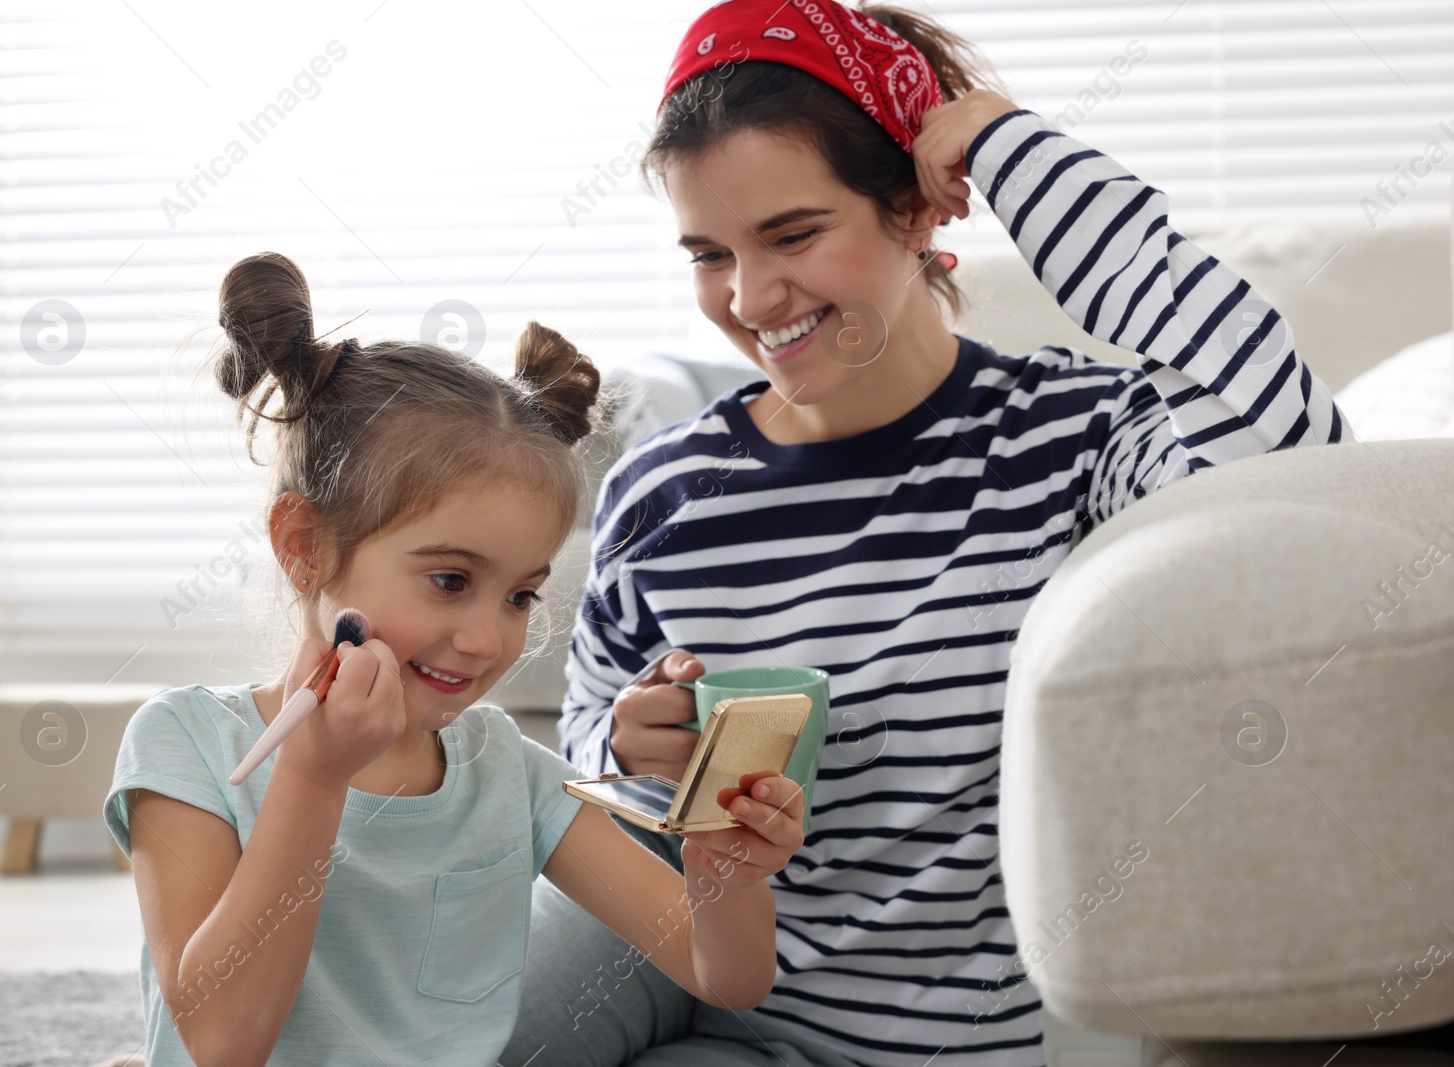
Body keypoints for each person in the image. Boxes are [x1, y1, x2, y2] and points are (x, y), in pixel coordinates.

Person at [500, 2, 1353, 1066]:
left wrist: (1011, 149)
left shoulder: (1071, 439)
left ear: (913, 210)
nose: (751, 296)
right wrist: (624, 742)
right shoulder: (663, 488)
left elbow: (1295, 467)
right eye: (708, 252)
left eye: (793, 233)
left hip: (902, 1042)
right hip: (678, 954)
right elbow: (587, 743)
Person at [100, 252, 806, 1067]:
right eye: (449, 579)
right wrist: (314, 777)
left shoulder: (507, 770)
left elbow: (726, 975)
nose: (485, 638)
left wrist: (730, 874)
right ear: (304, 547)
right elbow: (225, 1045)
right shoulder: (185, 743)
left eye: (519, 596)